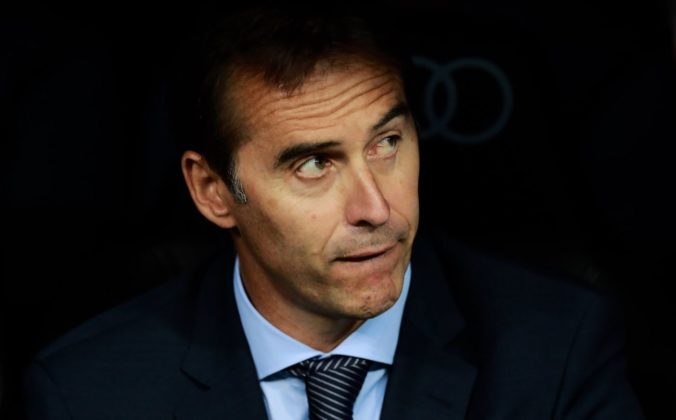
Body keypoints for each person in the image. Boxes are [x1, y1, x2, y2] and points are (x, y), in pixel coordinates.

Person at [22, 5, 645, 419]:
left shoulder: (556, 351)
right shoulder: (89, 392)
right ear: (212, 190)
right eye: (314, 164)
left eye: (387, 143)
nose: (377, 208)